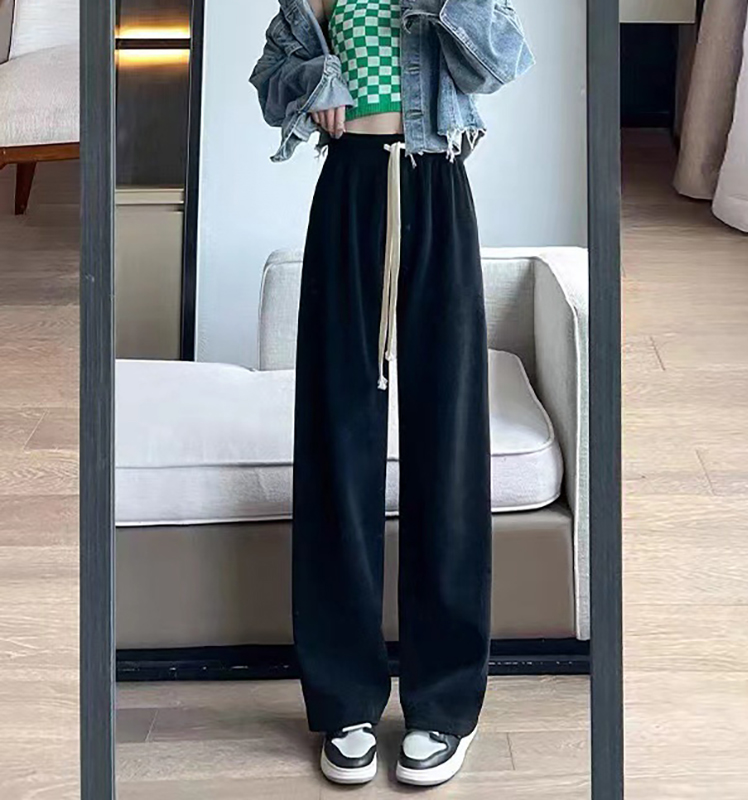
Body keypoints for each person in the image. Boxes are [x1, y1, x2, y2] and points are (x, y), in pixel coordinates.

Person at [250, 0, 532, 787]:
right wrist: (314, 77)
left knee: (449, 444)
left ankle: (443, 704)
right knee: (337, 442)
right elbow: (270, 82)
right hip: (348, 192)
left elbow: (503, 62)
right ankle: (344, 699)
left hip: (437, 185)